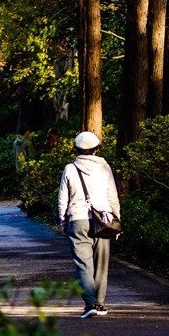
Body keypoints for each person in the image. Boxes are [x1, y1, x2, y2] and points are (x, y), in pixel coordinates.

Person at [57, 130, 121, 319]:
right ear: (96, 149)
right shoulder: (105, 167)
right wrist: (117, 220)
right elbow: (112, 196)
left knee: (83, 264)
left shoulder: (70, 168)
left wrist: (62, 221)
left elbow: (63, 198)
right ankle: (100, 304)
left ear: (76, 149)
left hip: (78, 219)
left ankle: (89, 304)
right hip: (103, 220)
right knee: (102, 263)